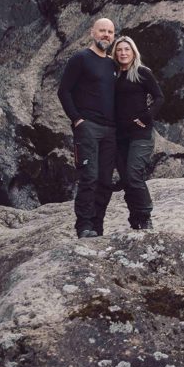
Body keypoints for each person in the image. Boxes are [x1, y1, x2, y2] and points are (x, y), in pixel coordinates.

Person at [57, 17, 117, 239]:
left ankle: (97, 227)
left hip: (111, 131)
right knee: (89, 177)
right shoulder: (81, 59)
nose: (106, 35)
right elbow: (64, 91)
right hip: (88, 127)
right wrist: (77, 119)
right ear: (92, 32)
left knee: (105, 181)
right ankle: (83, 226)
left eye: (110, 32)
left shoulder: (113, 64)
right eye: (102, 31)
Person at [96, 35, 163, 232]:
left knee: (134, 175)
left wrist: (146, 117)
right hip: (118, 135)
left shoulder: (142, 73)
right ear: (115, 53)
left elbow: (159, 98)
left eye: (127, 49)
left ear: (134, 52)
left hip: (140, 133)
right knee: (126, 180)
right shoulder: (113, 75)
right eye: (119, 50)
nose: (123, 53)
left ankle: (145, 216)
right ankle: (135, 219)